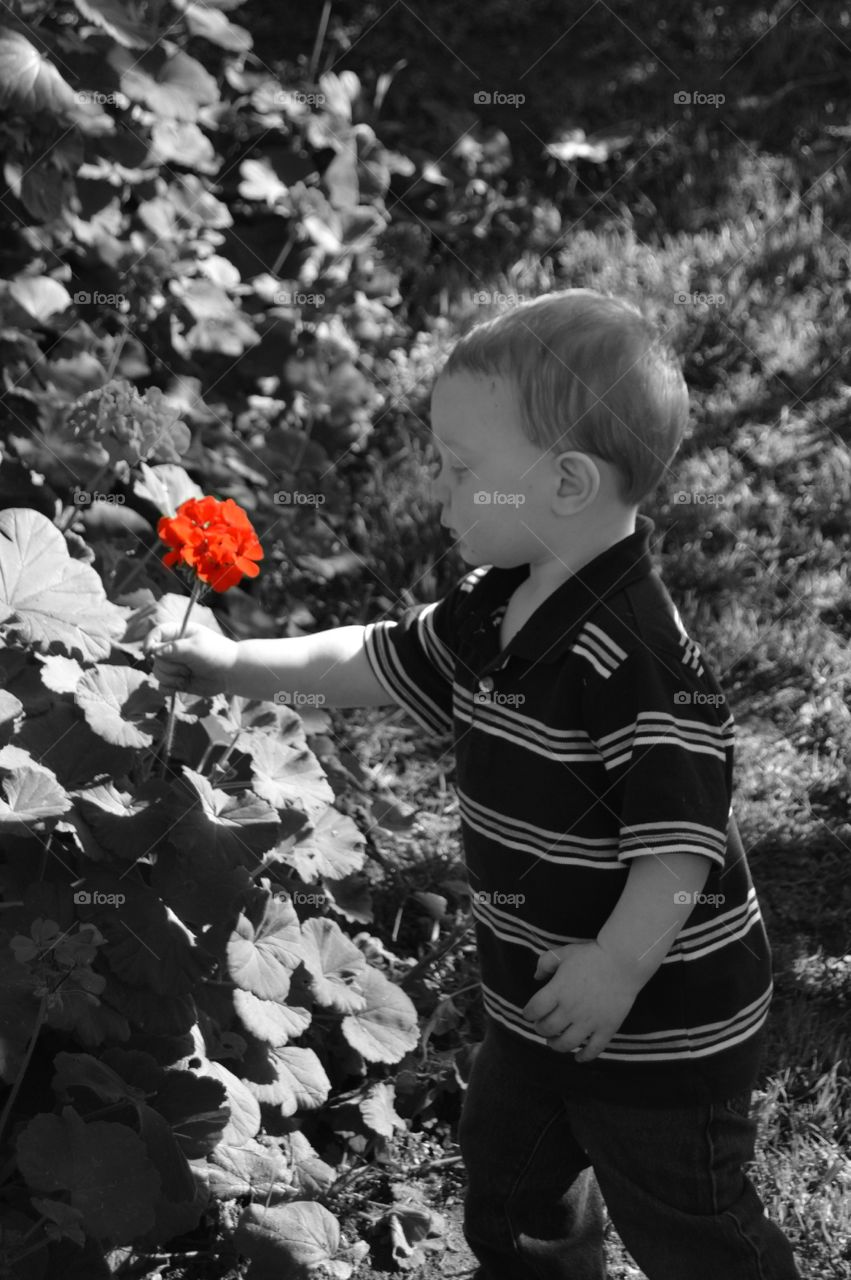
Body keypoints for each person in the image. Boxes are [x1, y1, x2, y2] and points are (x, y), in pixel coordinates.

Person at [145, 289, 802, 1279]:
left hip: (661, 1029)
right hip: (535, 1001)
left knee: (689, 1225)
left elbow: (680, 844)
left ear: (568, 483)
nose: (440, 498)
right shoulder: (496, 605)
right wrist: (236, 661)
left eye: (461, 474)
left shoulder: (638, 663)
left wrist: (617, 965)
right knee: (510, 1185)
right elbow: (370, 657)